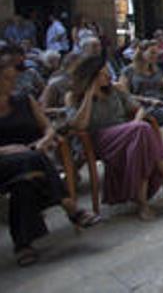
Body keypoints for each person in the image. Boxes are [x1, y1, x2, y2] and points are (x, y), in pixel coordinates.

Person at [0, 47, 101, 266]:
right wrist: (6, 150)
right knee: (32, 160)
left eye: (12, 78)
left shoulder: (24, 100)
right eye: (6, 79)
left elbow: (48, 128)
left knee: (25, 182)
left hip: (31, 157)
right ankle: (70, 206)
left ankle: (23, 245)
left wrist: (44, 141)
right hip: (4, 162)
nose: (12, 83)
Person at [67, 55, 163, 221]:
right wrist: (89, 94)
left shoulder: (116, 89)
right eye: (103, 74)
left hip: (129, 133)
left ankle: (143, 204)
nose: (108, 77)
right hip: (99, 139)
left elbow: (138, 108)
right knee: (141, 132)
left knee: (140, 136)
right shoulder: (74, 97)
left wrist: (135, 123)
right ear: (91, 77)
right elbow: (79, 125)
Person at [119, 41, 163, 126]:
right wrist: (147, 100)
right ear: (142, 52)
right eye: (152, 53)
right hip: (143, 103)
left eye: (157, 53)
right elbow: (124, 94)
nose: (155, 56)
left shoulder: (155, 69)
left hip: (161, 100)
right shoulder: (128, 71)